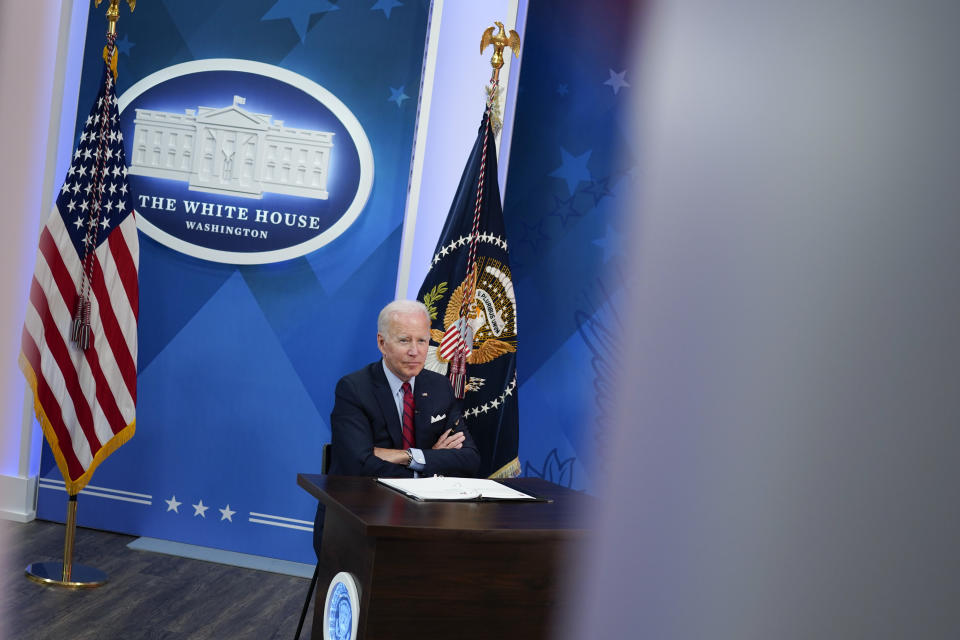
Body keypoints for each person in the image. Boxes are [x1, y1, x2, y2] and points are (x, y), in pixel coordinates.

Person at [313, 299, 481, 556]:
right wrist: (432, 460)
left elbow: (469, 458)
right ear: (382, 343)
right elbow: (359, 464)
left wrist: (410, 456)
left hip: (424, 518)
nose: (415, 351)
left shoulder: (439, 387)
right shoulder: (354, 389)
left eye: (422, 341)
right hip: (359, 515)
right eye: (404, 341)